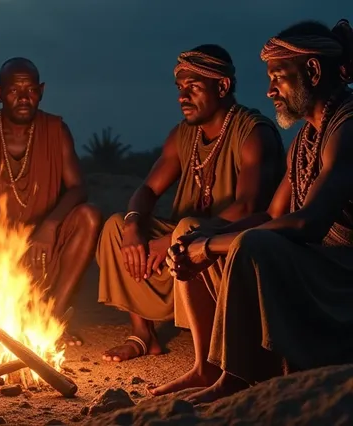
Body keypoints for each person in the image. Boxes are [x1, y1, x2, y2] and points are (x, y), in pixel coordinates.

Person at [159, 19, 353, 404]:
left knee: (253, 245)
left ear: (312, 71)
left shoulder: (346, 126)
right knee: (197, 230)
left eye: (279, 77)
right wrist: (202, 239)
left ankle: (238, 378)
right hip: (320, 267)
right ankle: (207, 366)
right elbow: (270, 214)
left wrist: (214, 247)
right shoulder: (306, 136)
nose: (270, 90)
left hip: (342, 275)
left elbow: (307, 223)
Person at [96, 44, 286, 362]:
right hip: (182, 248)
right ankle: (144, 335)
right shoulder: (183, 135)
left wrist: (173, 240)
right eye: (180, 88)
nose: (183, 97)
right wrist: (132, 225)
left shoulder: (254, 132)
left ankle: (212, 351)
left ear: (222, 86)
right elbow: (146, 191)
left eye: (194, 87)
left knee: (188, 227)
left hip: (233, 247)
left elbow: (248, 207)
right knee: (117, 226)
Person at [0, 57, 101, 346]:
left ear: (41, 91)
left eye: (30, 90)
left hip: (43, 248)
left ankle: (52, 322)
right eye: (13, 91)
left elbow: (78, 187)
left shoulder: (56, 129)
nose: (23, 98)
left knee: (89, 216)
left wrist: (51, 225)